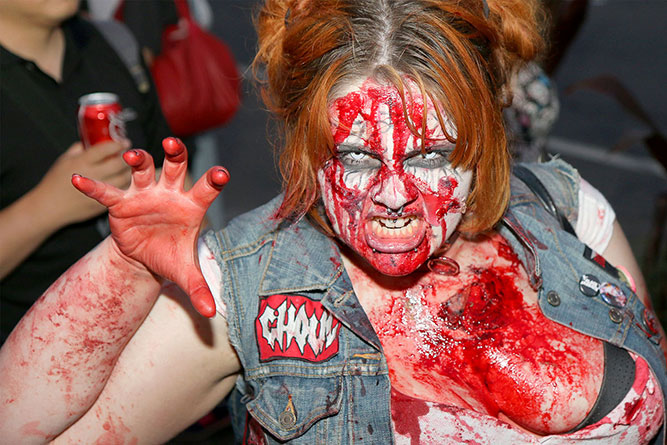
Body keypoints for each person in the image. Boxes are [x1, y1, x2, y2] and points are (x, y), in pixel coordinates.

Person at [1, 0, 665, 444]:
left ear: (488, 135)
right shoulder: (246, 286)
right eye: (353, 154)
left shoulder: (568, 211)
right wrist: (121, 267)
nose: (394, 194)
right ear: (303, 146)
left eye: (434, 153)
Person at [0, 0, 171, 341]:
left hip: (151, 336)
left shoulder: (114, 44)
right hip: (30, 356)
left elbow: (170, 173)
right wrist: (46, 207)